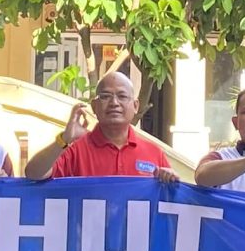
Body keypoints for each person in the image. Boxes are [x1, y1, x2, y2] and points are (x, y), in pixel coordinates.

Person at [25, 71, 180, 184]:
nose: (114, 103)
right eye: (106, 96)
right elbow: (33, 173)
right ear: (94, 106)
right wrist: (64, 139)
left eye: (122, 96)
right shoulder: (75, 150)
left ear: (135, 106)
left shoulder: (153, 153)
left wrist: (171, 179)